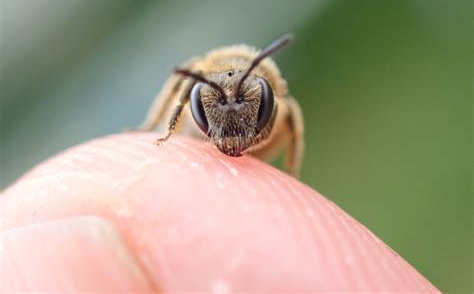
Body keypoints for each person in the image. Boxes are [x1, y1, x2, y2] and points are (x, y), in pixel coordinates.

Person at [1, 133, 438, 292]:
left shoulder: (274, 107)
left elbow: (290, 118)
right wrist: (161, 130)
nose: (232, 120)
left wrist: (292, 176)